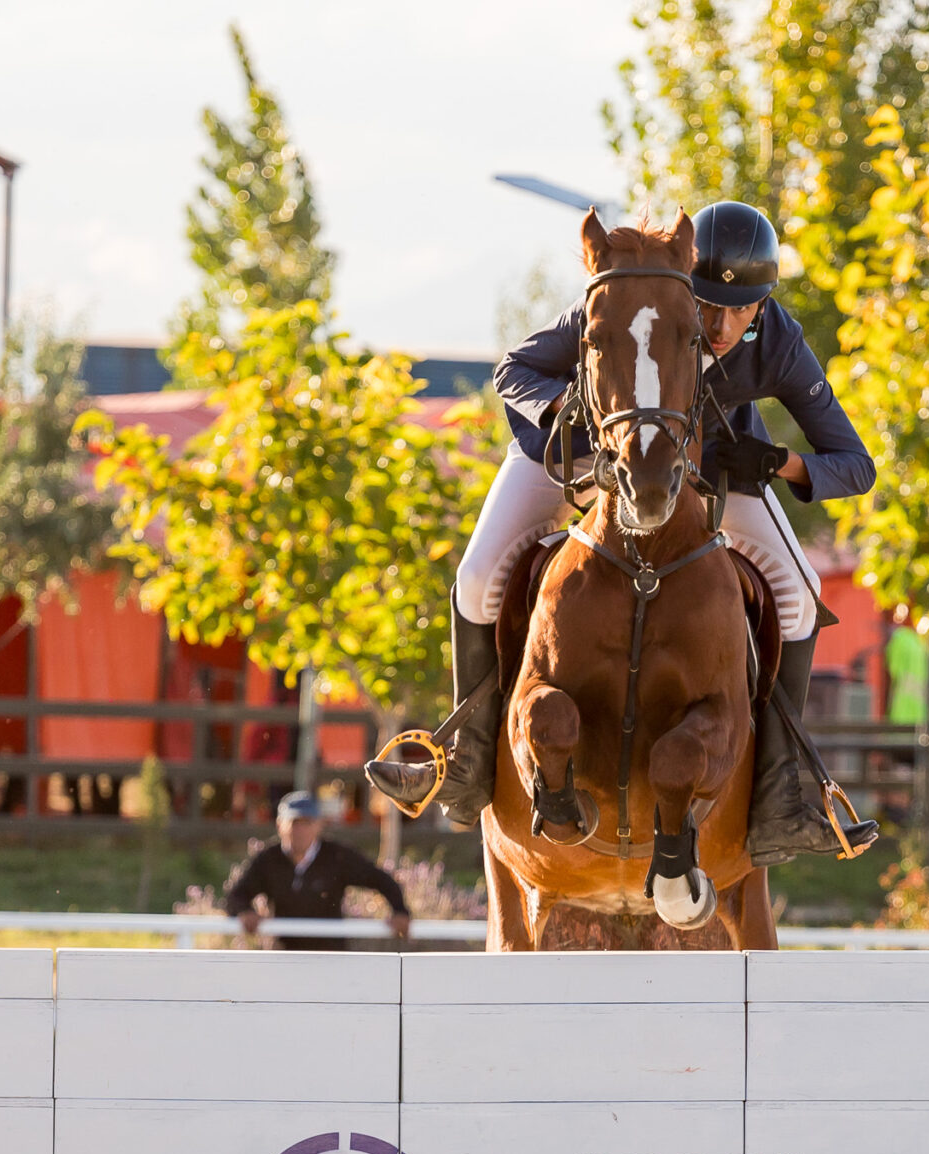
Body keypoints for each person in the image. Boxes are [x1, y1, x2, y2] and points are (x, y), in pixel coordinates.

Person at [365, 200, 878, 863]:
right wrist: (570, 408)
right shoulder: (633, 299)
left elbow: (855, 463)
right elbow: (513, 371)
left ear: (762, 306)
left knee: (801, 592)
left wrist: (781, 462)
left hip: (702, 472)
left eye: (739, 309)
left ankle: (785, 793)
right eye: (705, 304)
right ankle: (464, 759)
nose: (718, 325)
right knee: (477, 575)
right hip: (577, 448)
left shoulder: (776, 340)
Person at [225, 793, 412, 952]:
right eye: (294, 823)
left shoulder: (336, 856)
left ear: (318, 825)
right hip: (285, 956)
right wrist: (245, 912)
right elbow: (236, 895)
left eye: (307, 823)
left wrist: (400, 911)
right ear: (279, 825)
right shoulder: (268, 860)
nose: (300, 830)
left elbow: (380, 879)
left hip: (330, 956)